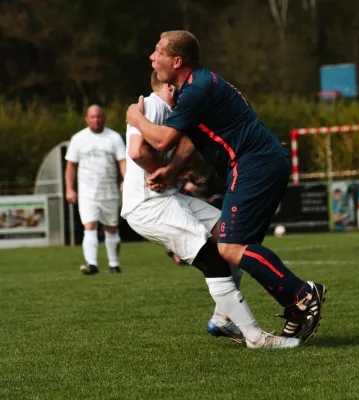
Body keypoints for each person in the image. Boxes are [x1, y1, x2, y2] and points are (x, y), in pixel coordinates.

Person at [126, 30, 327, 343]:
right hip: (258, 164)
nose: (152, 58)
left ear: (177, 61)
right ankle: (227, 317)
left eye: (157, 52)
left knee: (229, 247)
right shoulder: (195, 87)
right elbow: (192, 137)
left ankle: (302, 294)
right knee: (233, 243)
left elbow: (162, 139)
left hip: (253, 166)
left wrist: (135, 119)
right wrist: (172, 169)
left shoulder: (196, 90)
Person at [65, 105, 126, 275]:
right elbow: (70, 165)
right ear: (86, 119)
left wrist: (125, 180)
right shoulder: (78, 139)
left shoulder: (114, 138)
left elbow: (123, 161)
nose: (96, 120)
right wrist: (70, 189)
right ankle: (92, 264)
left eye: (99, 117)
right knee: (89, 226)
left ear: (104, 118)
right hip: (87, 192)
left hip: (109, 191)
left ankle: (114, 264)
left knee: (111, 228)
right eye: (92, 117)